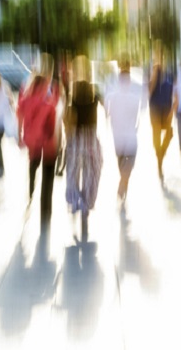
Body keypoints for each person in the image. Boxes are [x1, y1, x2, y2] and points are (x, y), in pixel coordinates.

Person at [17, 54, 62, 223]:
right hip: (49, 143)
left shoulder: (26, 96)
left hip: (33, 141)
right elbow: (56, 117)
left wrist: (20, 135)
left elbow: (19, 115)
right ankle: (46, 211)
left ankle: (30, 194)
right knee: (48, 176)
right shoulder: (50, 97)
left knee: (33, 166)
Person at [65, 55, 103, 240]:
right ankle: (87, 201)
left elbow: (69, 120)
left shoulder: (72, 95)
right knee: (94, 169)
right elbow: (105, 104)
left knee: (72, 171)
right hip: (91, 139)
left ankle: (74, 200)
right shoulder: (95, 92)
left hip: (76, 138)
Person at [105, 56, 144, 205]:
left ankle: (122, 187)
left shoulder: (111, 97)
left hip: (118, 139)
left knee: (122, 166)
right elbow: (136, 120)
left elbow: (107, 115)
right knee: (128, 167)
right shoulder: (135, 99)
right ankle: (122, 185)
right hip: (130, 138)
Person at [148, 45, 177, 180]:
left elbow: (176, 92)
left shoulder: (170, 73)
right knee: (156, 135)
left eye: (161, 56)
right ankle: (159, 162)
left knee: (169, 133)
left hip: (167, 108)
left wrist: (174, 108)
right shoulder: (154, 71)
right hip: (155, 107)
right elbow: (149, 90)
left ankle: (160, 155)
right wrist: (154, 75)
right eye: (157, 56)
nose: (160, 59)